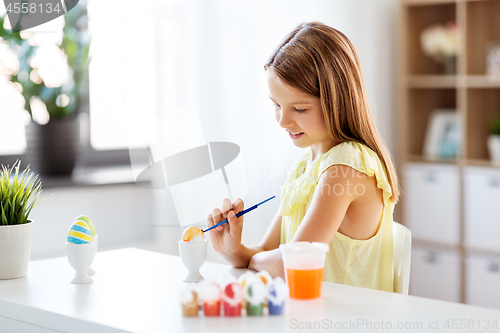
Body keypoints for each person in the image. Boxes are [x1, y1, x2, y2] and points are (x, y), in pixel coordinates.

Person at [206, 22, 400, 292]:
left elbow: (292, 265)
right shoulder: (306, 167)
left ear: (336, 101)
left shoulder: (345, 167)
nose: (283, 121)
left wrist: (257, 261)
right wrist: (233, 250)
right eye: (276, 105)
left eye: (298, 108)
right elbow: (265, 252)